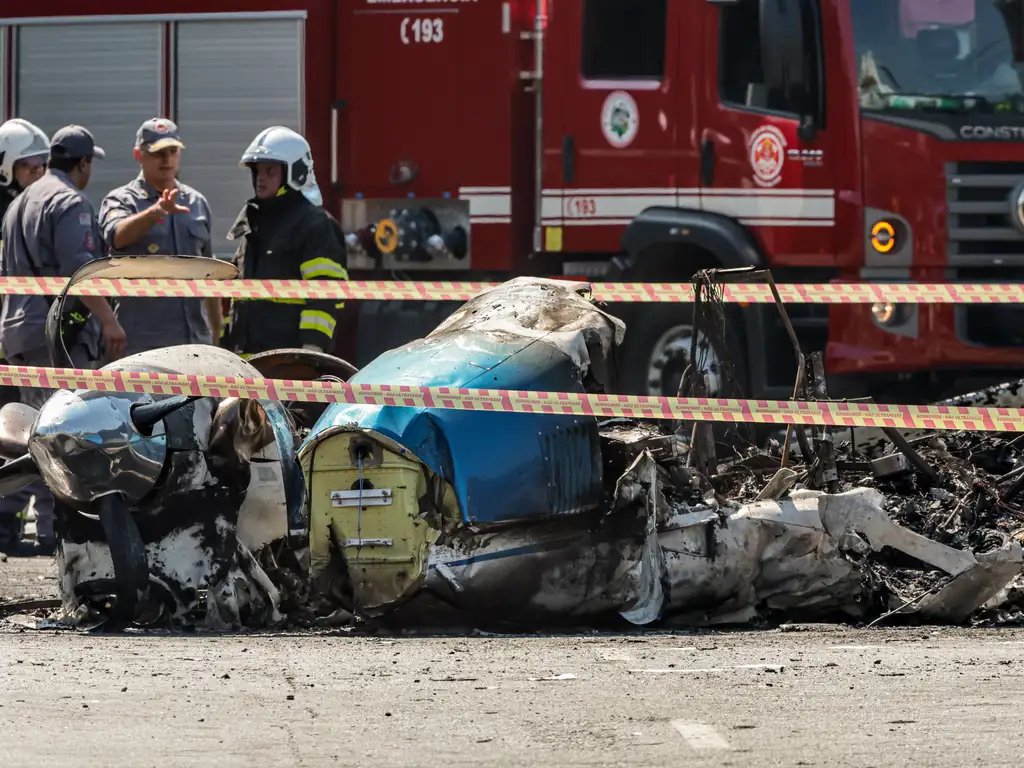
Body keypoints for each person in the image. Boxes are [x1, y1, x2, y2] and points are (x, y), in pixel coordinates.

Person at [0, 125, 126, 556]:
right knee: (64, 434)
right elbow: (79, 269)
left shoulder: (20, 201)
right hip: (56, 336)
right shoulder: (69, 202)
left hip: (17, 329)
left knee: (29, 431)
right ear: (84, 163)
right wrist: (109, 320)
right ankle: (60, 531)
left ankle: (8, 524)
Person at [98, 118, 222, 357]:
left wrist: (215, 331)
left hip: (194, 341)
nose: (167, 160)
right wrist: (156, 212)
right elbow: (115, 236)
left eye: (172, 151)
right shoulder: (121, 200)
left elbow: (211, 272)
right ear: (138, 155)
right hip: (141, 346)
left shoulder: (196, 203)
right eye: (157, 153)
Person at [223, 126, 349, 356]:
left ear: (295, 173)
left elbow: (326, 293)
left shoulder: (315, 225)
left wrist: (311, 350)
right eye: (257, 171)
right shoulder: (254, 223)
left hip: (288, 362)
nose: (260, 179)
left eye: (270, 171)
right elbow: (237, 293)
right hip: (244, 360)